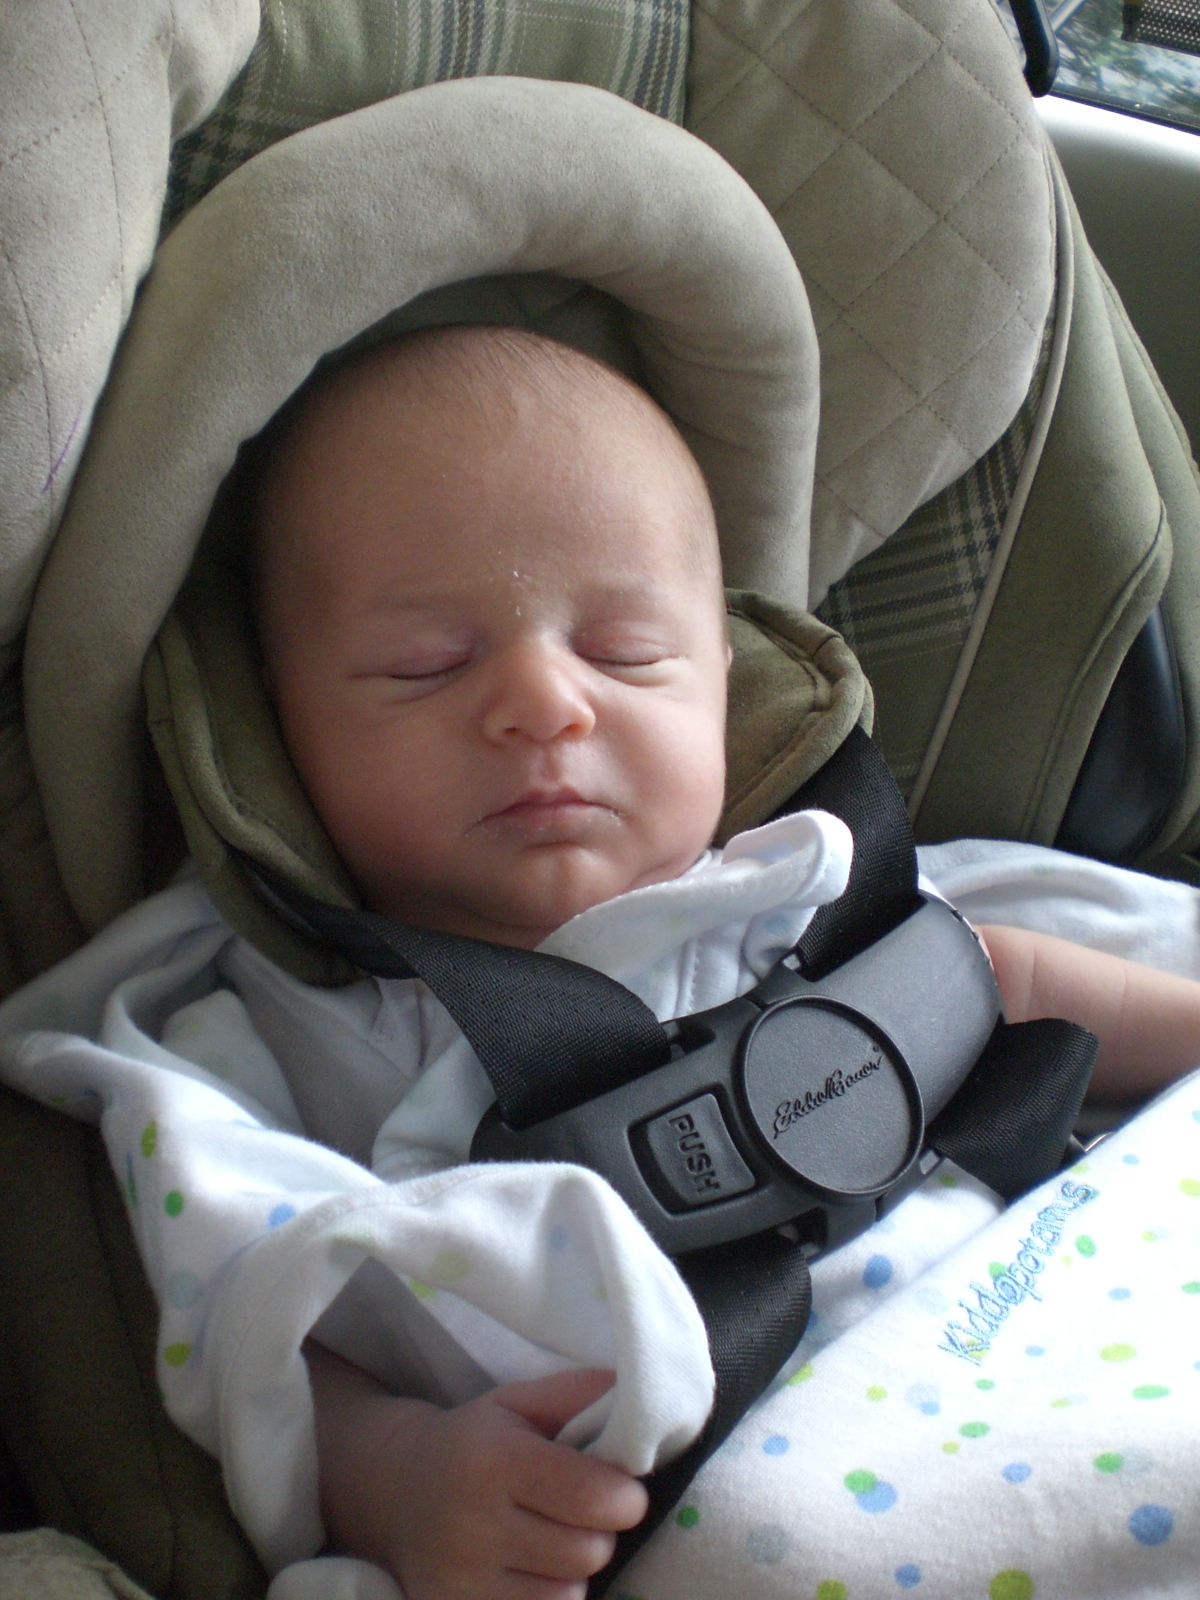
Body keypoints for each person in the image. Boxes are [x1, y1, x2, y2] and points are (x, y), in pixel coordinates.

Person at [243, 321, 1200, 1600]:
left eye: (626, 652)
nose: (547, 702)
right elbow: (251, 1323)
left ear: (724, 684)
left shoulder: (804, 886)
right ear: (278, 724)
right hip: (780, 1502)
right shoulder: (287, 1036)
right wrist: (401, 1474)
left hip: (1066, 1336)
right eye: (427, 665)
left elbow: (1003, 976)